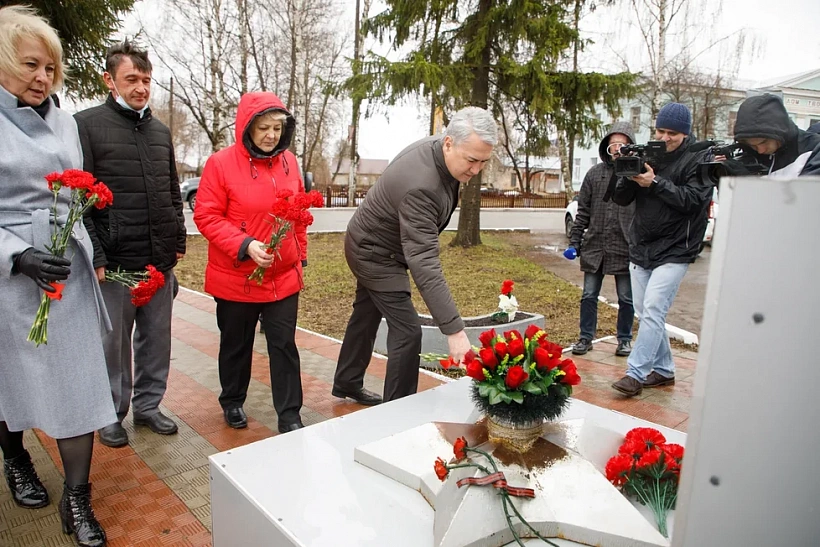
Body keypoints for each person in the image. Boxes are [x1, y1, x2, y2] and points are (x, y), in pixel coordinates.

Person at [0, 6, 113, 545]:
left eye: (51, 68)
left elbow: (78, 190)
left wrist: (94, 242)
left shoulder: (64, 120)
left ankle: (77, 498)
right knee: (9, 384)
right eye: (30, 65)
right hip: (7, 275)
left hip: (67, 264)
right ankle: (16, 459)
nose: (43, 78)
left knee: (78, 384)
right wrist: (16, 255)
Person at [332, 106, 496, 405]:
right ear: (449, 143)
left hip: (377, 241)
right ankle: (399, 412)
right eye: (472, 160)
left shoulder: (440, 152)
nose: (475, 170)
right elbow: (424, 260)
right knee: (407, 332)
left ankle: (347, 381)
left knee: (366, 316)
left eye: (483, 161)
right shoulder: (423, 185)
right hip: (375, 254)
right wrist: (455, 330)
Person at [75, 40, 185, 447]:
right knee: (113, 345)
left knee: (156, 340)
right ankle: (110, 413)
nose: (141, 87)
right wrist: (97, 255)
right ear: (110, 80)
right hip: (115, 264)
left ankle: (149, 406)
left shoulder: (159, 131)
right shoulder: (86, 125)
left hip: (158, 262)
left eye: (146, 79)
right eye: (131, 79)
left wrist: (177, 242)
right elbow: (81, 197)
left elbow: (172, 191)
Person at [194, 91, 307, 433]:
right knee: (236, 345)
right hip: (237, 277)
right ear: (246, 127)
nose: (271, 135)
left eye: (277, 128)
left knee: (284, 346)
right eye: (263, 128)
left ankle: (289, 415)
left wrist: (299, 256)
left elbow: (299, 214)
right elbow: (206, 216)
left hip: (283, 277)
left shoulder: (290, 162)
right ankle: (232, 401)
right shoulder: (220, 163)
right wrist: (245, 244)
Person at [610, 102, 713, 397]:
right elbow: (620, 199)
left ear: (685, 134)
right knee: (647, 312)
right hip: (642, 245)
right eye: (660, 130)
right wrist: (625, 171)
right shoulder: (646, 153)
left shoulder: (698, 158)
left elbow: (692, 200)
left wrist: (654, 182)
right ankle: (665, 369)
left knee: (654, 308)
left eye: (672, 133)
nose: (664, 138)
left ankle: (635, 373)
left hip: (677, 248)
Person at [565, 121, 636, 357]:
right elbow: (582, 211)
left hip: (625, 247)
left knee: (626, 298)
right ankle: (585, 338)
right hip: (595, 246)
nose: (617, 148)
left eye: (622, 144)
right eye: (613, 143)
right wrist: (575, 242)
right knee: (588, 295)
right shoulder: (594, 175)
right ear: (606, 146)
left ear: (630, 146)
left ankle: (624, 339)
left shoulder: (636, 176)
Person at [733, 94, 820, 177]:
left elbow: (806, 190)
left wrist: (747, 181)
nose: (760, 150)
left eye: (764, 142)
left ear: (779, 132)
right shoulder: (751, 154)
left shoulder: (814, 150)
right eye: (753, 146)